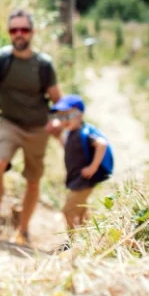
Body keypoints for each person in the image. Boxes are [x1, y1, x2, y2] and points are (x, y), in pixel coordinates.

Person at [0, 10, 63, 246]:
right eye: (14, 30)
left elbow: (58, 100)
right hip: (9, 123)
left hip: (38, 128)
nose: (19, 34)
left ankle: (23, 230)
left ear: (32, 32)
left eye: (24, 30)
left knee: (33, 180)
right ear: (9, 33)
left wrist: (59, 123)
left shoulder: (43, 65)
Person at [47, 94, 113, 230]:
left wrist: (93, 167)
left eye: (68, 116)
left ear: (80, 115)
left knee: (67, 211)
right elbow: (68, 149)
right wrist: (58, 137)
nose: (64, 121)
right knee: (82, 212)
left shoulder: (84, 133)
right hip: (76, 179)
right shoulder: (71, 134)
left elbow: (102, 144)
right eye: (60, 117)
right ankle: (88, 237)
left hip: (84, 180)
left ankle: (73, 240)